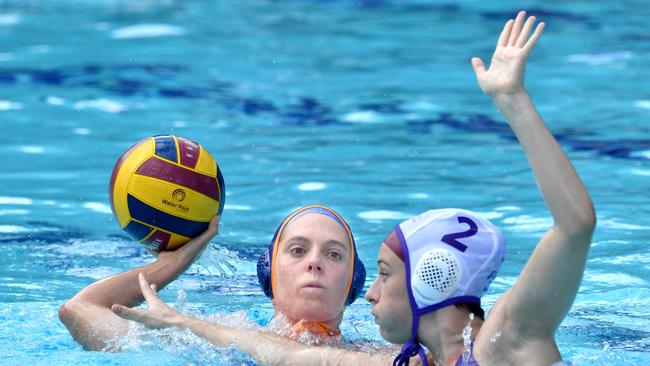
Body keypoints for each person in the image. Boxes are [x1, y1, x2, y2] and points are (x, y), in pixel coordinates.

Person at [111, 11, 596, 366]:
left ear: (434, 278)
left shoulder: (507, 343)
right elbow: (290, 357)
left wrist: (513, 102)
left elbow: (574, 226)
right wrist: (186, 319)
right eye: (296, 250)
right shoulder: (407, 362)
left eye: (383, 273)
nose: (369, 294)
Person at [59, 205, 365, 350]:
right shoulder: (209, 339)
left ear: (353, 283)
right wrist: (168, 268)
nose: (314, 262)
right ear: (268, 274)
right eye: (298, 250)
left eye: (334, 254)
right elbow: (80, 309)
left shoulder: (378, 356)